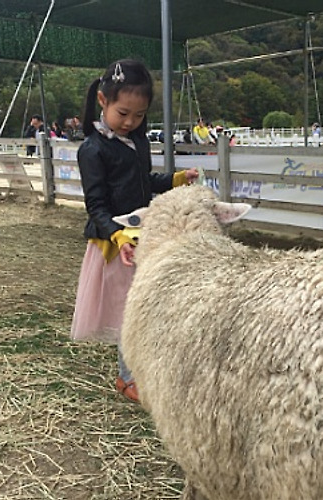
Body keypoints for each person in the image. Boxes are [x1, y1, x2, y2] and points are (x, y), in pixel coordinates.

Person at [70, 59, 198, 403]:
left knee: (147, 306)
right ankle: (127, 377)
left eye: (139, 116)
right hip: (115, 243)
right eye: (123, 113)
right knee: (128, 311)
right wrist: (117, 235)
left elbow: (143, 181)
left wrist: (175, 180)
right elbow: (95, 206)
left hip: (144, 236)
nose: (130, 122)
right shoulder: (92, 150)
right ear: (103, 101)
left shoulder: (137, 141)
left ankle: (145, 368)